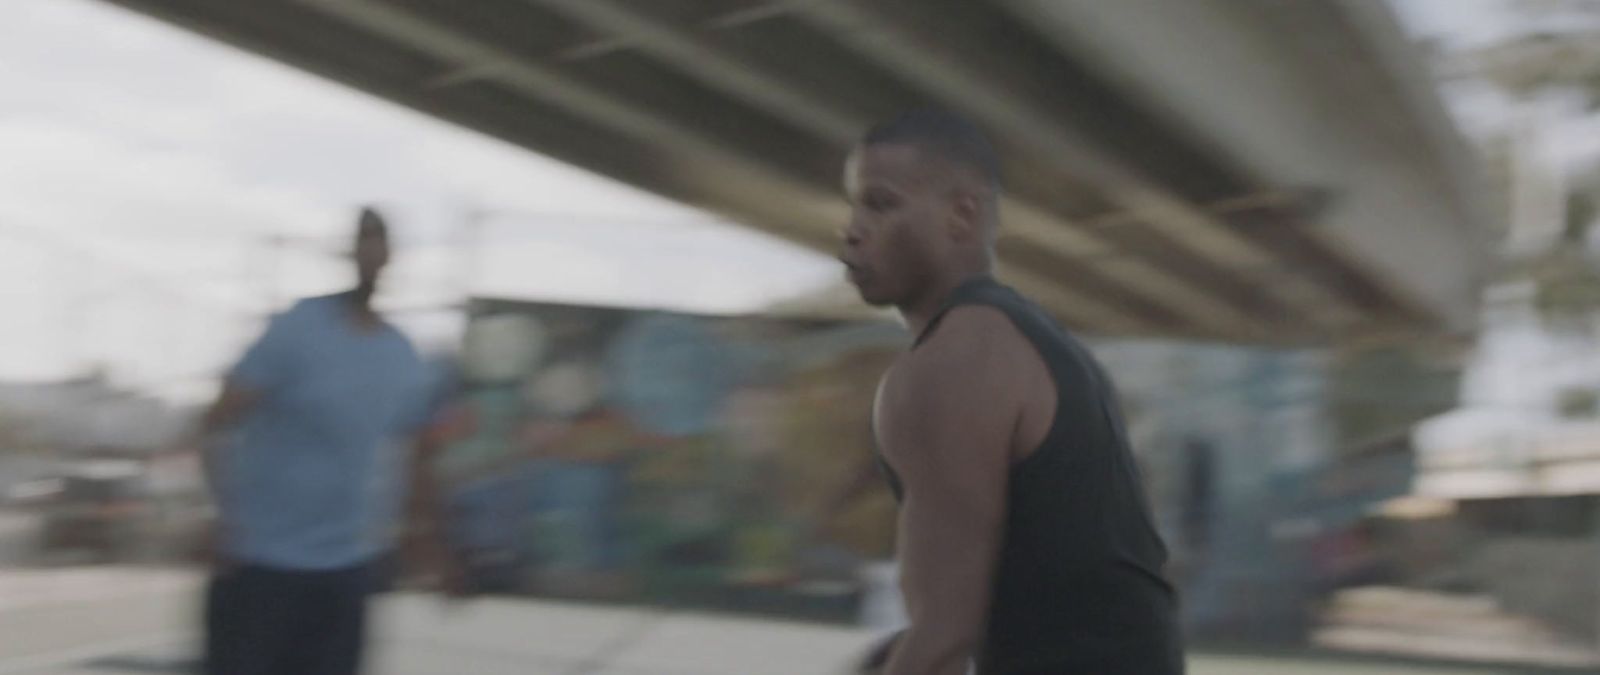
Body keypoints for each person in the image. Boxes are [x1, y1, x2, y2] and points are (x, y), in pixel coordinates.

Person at [837, 110, 1184, 675]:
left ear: (962, 215)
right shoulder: (1033, 339)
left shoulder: (954, 364)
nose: (851, 228)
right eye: (852, 205)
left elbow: (944, 637)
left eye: (879, 203)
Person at [192, 207, 462, 675]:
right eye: (364, 243)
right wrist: (220, 517)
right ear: (350, 253)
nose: (372, 256)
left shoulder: (400, 356)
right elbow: (216, 421)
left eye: (381, 244)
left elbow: (417, 460)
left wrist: (432, 547)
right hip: (260, 564)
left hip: (344, 573)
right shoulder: (298, 329)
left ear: (391, 258)